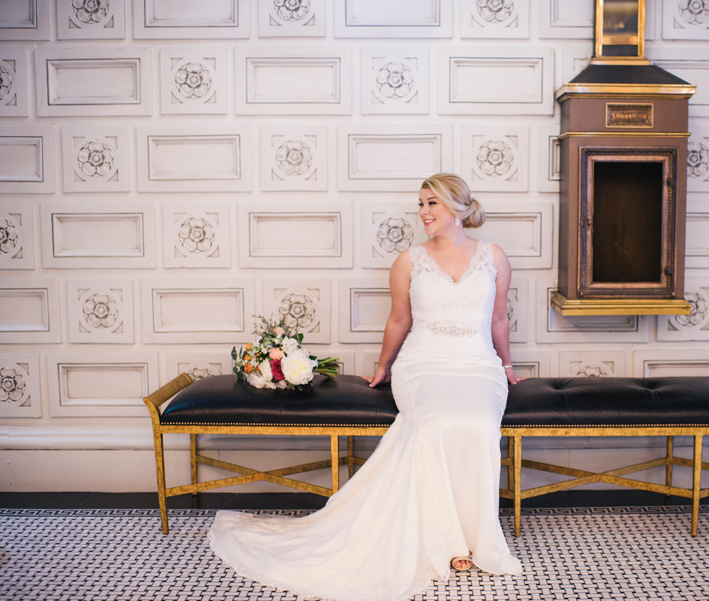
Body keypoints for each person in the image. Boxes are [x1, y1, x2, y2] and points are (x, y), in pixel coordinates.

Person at [208, 173, 523, 601]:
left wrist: (506, 365)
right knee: (437, 424)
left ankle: (477, 536)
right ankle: (446, 541)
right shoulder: (409, 260)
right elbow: (399, 320)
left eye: (432, 204)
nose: (423, 212)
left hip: (478, 365)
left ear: (458, 208)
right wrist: (383, 366)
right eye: (421, 204)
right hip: (423, 364)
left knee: (479, 423)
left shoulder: (494, 257)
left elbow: (499, 318)